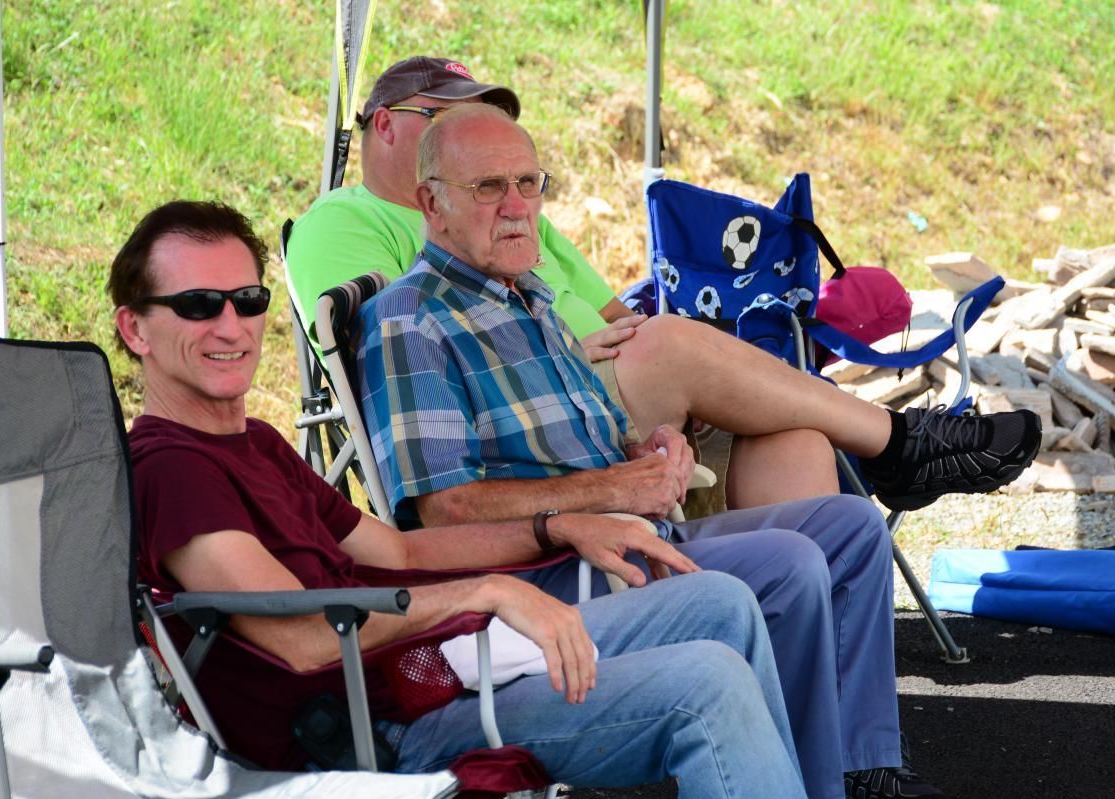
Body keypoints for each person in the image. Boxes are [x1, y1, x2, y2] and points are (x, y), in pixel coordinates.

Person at [109, 199, 809, 799]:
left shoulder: (254, 441)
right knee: (707, 684)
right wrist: (489, 592)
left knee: (720, 599)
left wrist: (557, 526)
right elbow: (304, 639)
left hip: (431, 668)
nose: (232, 326)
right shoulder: (172, 469)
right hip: (372, 729)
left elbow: (400, 547)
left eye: (248, 299)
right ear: (134, 328)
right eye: (199, 305)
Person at [355, 104, 945, 799]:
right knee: (790, 564)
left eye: (528, 183)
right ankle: (817, 784)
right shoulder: (410, 320)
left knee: (849, 527)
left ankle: (859, 762)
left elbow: (601, 439)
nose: (517, 206)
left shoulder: (531, 297)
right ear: (432, 202)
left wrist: (653, 445)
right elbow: (441, 511)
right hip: (556, 569)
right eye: (488, 188)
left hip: (633, 532)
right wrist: (614, 491)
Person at [287, 55, 1041, 516]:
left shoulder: (515, 210)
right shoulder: (343, 219)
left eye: (493, 123)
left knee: (794, 437)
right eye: (456, 117)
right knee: (673, 342)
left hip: (616, 385)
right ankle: (899, 445)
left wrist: (632, 338)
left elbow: (621, 311)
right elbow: (403, 351)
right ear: (386, 126)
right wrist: (582, 346)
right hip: (516, 410)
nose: (485, 139)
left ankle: (834, 732)